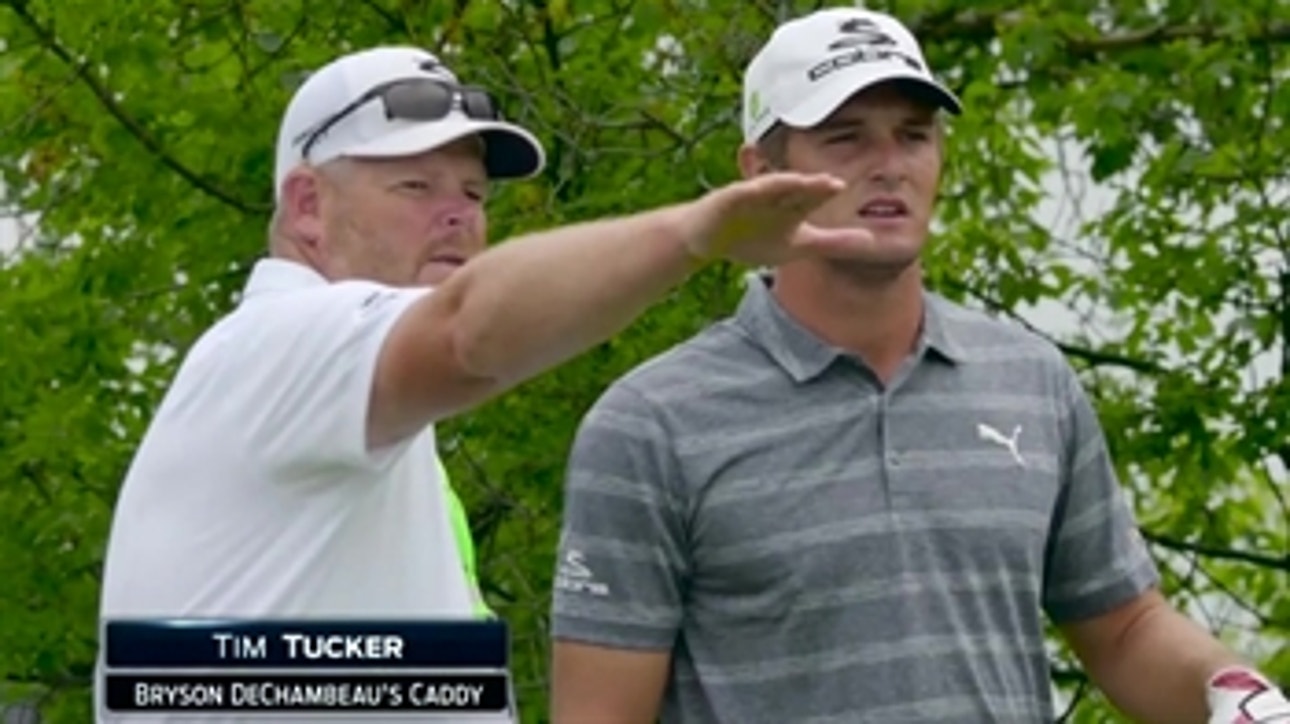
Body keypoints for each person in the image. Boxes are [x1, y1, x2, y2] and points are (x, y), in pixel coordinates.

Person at [548, 7, 1290, 724]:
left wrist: (1227, 688)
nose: (890, 166)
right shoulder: (650, 424)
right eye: (846, 139)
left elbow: (1124, 629)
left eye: (914, 135)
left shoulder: (1033, 383)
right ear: (758, 172)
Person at [94, 44, 877, 723]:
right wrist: (694, 235)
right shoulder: (282, 344)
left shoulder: (341, 417)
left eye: (472, 194)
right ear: (307, 206)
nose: (458, 217)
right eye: (416, 187)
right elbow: (470, 331)